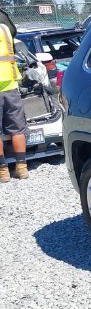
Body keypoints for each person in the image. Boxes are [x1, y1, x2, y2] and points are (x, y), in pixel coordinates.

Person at [0, 9, 28, 182]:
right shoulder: (5, 28)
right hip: (10, 84)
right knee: (17, 128)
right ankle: (22, 168)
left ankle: (3, 172)